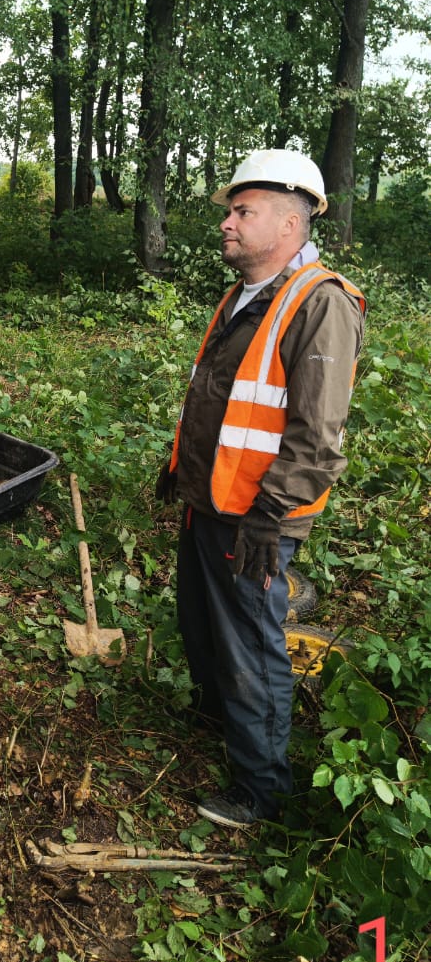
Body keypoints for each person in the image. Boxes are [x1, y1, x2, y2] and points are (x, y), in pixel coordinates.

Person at [156, 149, 366, 828]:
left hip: (256, 515)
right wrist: (181, 469)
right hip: (211, 499)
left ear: (288, 222)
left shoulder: (320, 304)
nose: (227, 222)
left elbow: (317, 436)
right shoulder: (242, 295)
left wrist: (269, 514)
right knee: (203, 626)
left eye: (242, 211)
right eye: (230, 211)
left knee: (250, 644)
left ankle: (261, 791)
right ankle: (219, 723)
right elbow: (224, 397)